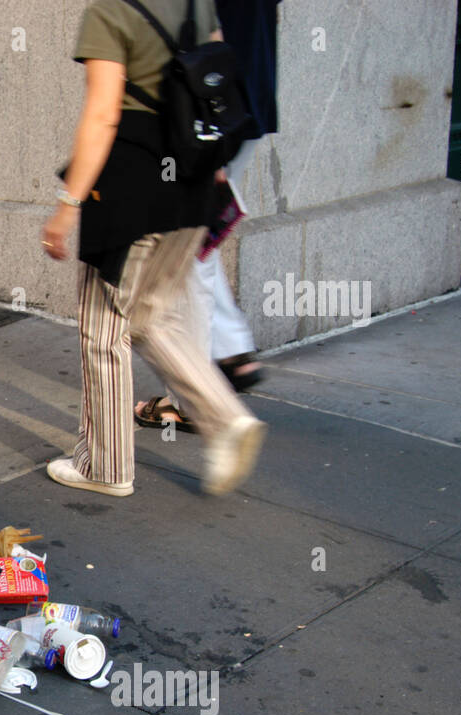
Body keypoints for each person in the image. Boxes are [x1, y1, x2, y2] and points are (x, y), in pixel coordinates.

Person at [42, 0, 266, 497]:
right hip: (193, 183)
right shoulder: (197, 3)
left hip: (133, 190)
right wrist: (218, 169)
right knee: (149, 317)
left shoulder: (110, 12)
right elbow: (217, 84)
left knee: (104, 330)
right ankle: (225, 419)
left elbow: (103, 116)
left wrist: (67, 204)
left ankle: (105, 467)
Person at [135, 0, 281, 431]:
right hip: (245, 105)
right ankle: (232, 351)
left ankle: (193, 395)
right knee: (196, 244)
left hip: (203, 112)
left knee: (188, 248)